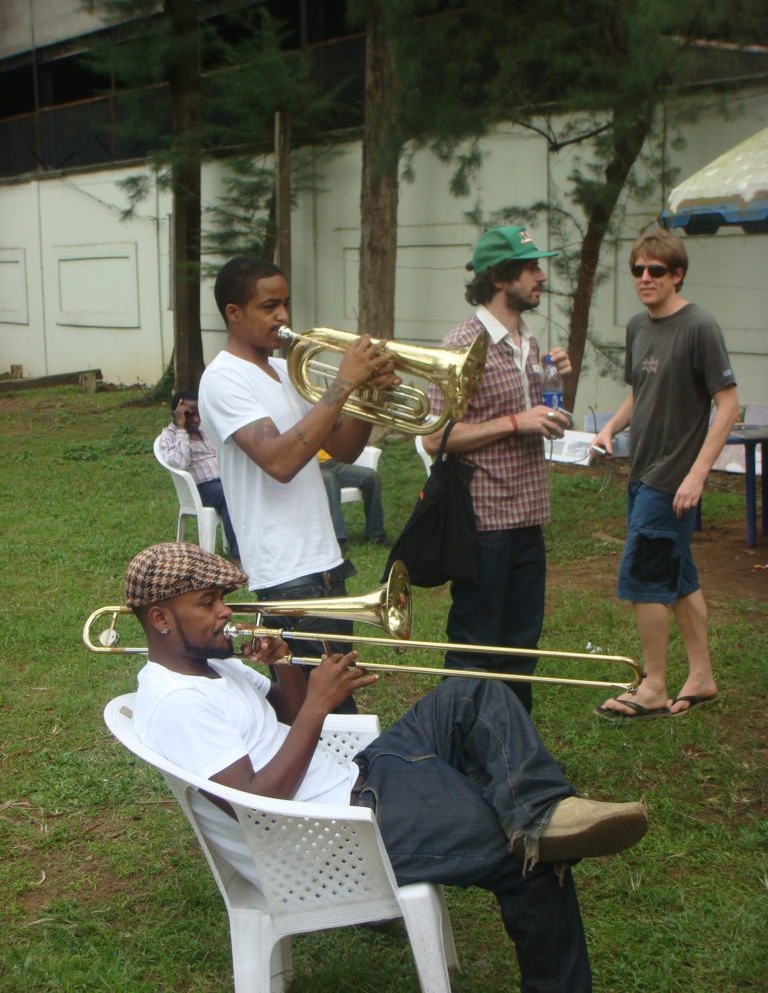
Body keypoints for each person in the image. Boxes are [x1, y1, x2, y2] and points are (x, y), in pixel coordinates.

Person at [127, 541, 649, 993]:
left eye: (220, 598)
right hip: (336, 835)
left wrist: (284, 664)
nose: (225, 611)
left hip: (355, 781)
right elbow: (259, 803)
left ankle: (539, 808)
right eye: (207, 602)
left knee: (472, 691)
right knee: (532, 857)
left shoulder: (214, 666)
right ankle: (538, 827)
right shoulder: (178, 703)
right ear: (161, 618)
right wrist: (318, 705)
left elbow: (282, 716)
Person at [198, 256, 397, 712]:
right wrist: (343, 384)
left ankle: (345, 780)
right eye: (269, 306)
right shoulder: (223, 379)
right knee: (314, 709)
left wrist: (370, 395)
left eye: (286, 304)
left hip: (324, 559)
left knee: (338, 702)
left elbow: (344, 448)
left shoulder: (288, 372)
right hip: (285, 571)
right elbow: (280, 460)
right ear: (234, 313)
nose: (284, 317)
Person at [422, 226, 572, 714]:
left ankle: (513, 747)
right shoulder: (465, 343)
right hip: (485, 520)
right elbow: (434, 437)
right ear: (502, 276)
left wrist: (554, 383)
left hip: (529, 515)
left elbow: (535, 415)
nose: (541, 276)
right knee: (475, 644)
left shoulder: (526, 339)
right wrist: (515, 421)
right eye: (532, 268)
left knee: (521, 645)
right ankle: (459, 744)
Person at [593, 227, 739, 721]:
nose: (645, 278)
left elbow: (728, 404)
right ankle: (701, 676)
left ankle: (653, 685)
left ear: (677, 275)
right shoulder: (638, 327)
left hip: (672, 477)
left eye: (656, 270)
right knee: (677, 577)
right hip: (642, 471)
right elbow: (640, 390)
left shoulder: (699, 326)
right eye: (638, 269)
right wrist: (610, 427)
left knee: (643, 576)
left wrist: (697, 474)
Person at [158, 391, 240, 561]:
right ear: (177, 413)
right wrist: (181, 428)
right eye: (189, 414)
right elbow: (180, 463)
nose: (195, 419)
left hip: (224, 481)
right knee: (227, 494)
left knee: (251, 488)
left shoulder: (204, 430)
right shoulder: (169, 436)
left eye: (197, 413)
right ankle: (239, 557)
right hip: (202, 489)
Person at [318, 448, 390, 549]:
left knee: (371, 476)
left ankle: (376, 534)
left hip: (335, 463)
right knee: (330, 481)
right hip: (314, 468)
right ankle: (339, 540)